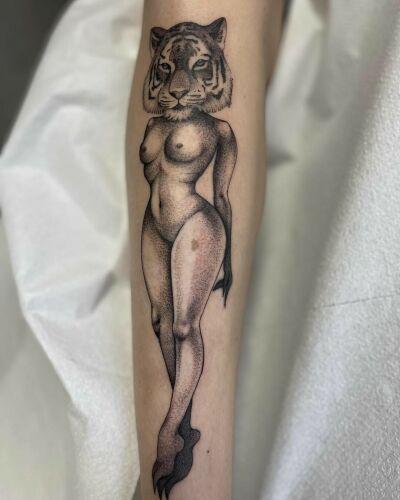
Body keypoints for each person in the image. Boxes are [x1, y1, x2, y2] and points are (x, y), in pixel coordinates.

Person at [126, 2, 284, 498]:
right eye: (169, 71)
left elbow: (222, 198)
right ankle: (183, 422)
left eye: (196, 68)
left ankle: (171, 433)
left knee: (184, 326)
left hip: (198, 224)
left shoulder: (220, 130)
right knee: (160, 322)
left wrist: (227, 261)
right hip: (154, 226)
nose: (179, 84)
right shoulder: (154, 124)